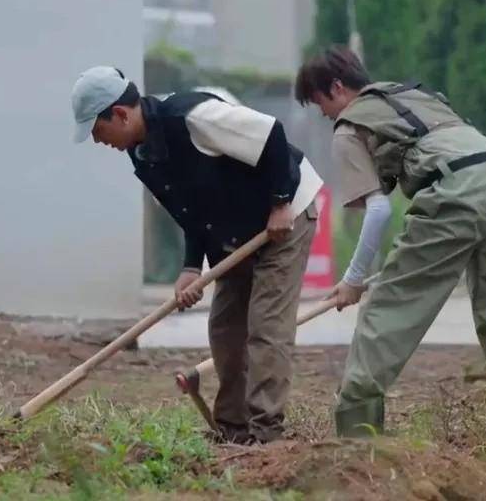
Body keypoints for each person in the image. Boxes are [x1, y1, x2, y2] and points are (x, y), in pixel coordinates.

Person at [295, 46, 486, 443]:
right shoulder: (407, 94)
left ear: (337, 88)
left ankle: (358, 430)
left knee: (390, 304)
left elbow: (377, 211)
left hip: (455, 191)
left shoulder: (349, 126)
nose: (322, 114)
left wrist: (354, 279)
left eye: (319, 103)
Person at [70, 66, 323, 443]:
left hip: (285, 217)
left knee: (266, 327)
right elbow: (190, 210)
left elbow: (271, 132)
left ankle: (266, 432)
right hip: (237, 233)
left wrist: (281, 202)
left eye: (97, 129)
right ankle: (234, 429)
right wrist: (191, 266)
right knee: (225, 328)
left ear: (119, 114)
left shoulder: (192, 117)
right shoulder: (142, 153)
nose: (96, 140)